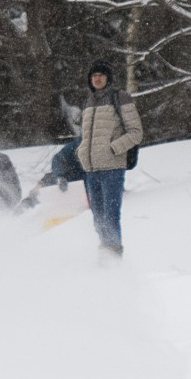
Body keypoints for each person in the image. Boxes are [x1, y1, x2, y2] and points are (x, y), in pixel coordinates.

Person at [74, 61, 143, 255]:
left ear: (108, 78)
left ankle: (114, 257)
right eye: (94, 75)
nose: (97, 79)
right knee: (98, 218)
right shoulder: (88, 102)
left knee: (111, 216)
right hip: (91, 170)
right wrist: (81, 152)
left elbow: (136, 132)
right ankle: (105, 252)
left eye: (101, 75)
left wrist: (113, 149)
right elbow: (86, 136)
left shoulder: (119, 97)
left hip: (112, 169)